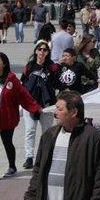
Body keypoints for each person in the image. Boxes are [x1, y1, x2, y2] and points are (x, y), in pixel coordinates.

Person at [23, 90, 100, 200]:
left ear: (73, 112)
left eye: (59, 109)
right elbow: (38, 171)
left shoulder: (93, 137)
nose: (55, 112)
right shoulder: (49, 136)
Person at [0, 52, 42, 184]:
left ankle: (12, 166)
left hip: (6, 117)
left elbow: (23, 95)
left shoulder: (11, 80)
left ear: (4, 64)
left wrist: (35, 107)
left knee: (7, 142)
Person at [20, 41, 60, 170]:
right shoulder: (29, 66)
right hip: (30, 104)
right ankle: (29, 157)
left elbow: (58, 84)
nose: (42, 52)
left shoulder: (52, 67)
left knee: (47, 132)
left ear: (48, 53)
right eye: (40, 49)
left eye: (45, 50)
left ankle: (45, 156)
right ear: (36, 51)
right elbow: (22, 84)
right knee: (30, 131)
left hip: (47, 105)